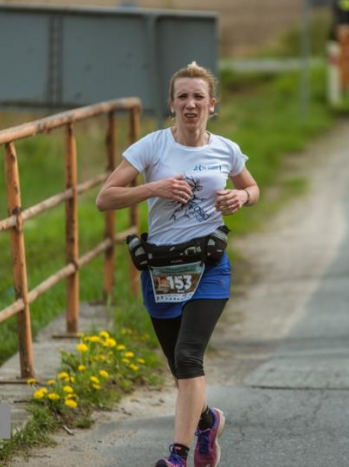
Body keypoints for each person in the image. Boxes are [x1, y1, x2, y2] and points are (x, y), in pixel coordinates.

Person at [96, 61, 259, 467]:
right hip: (162, 269)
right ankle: (207, 421)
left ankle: (177, 456)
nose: (190, 104)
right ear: (171, 103)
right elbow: (105, 198)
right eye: (183, 97)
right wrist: (154, 187)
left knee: (189, 358)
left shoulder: (226, 149)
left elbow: (252, 186)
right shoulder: (151, 147)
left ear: (212, 105)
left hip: (209, 265)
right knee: (180, 369)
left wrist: (242, 198)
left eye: (198, 97)